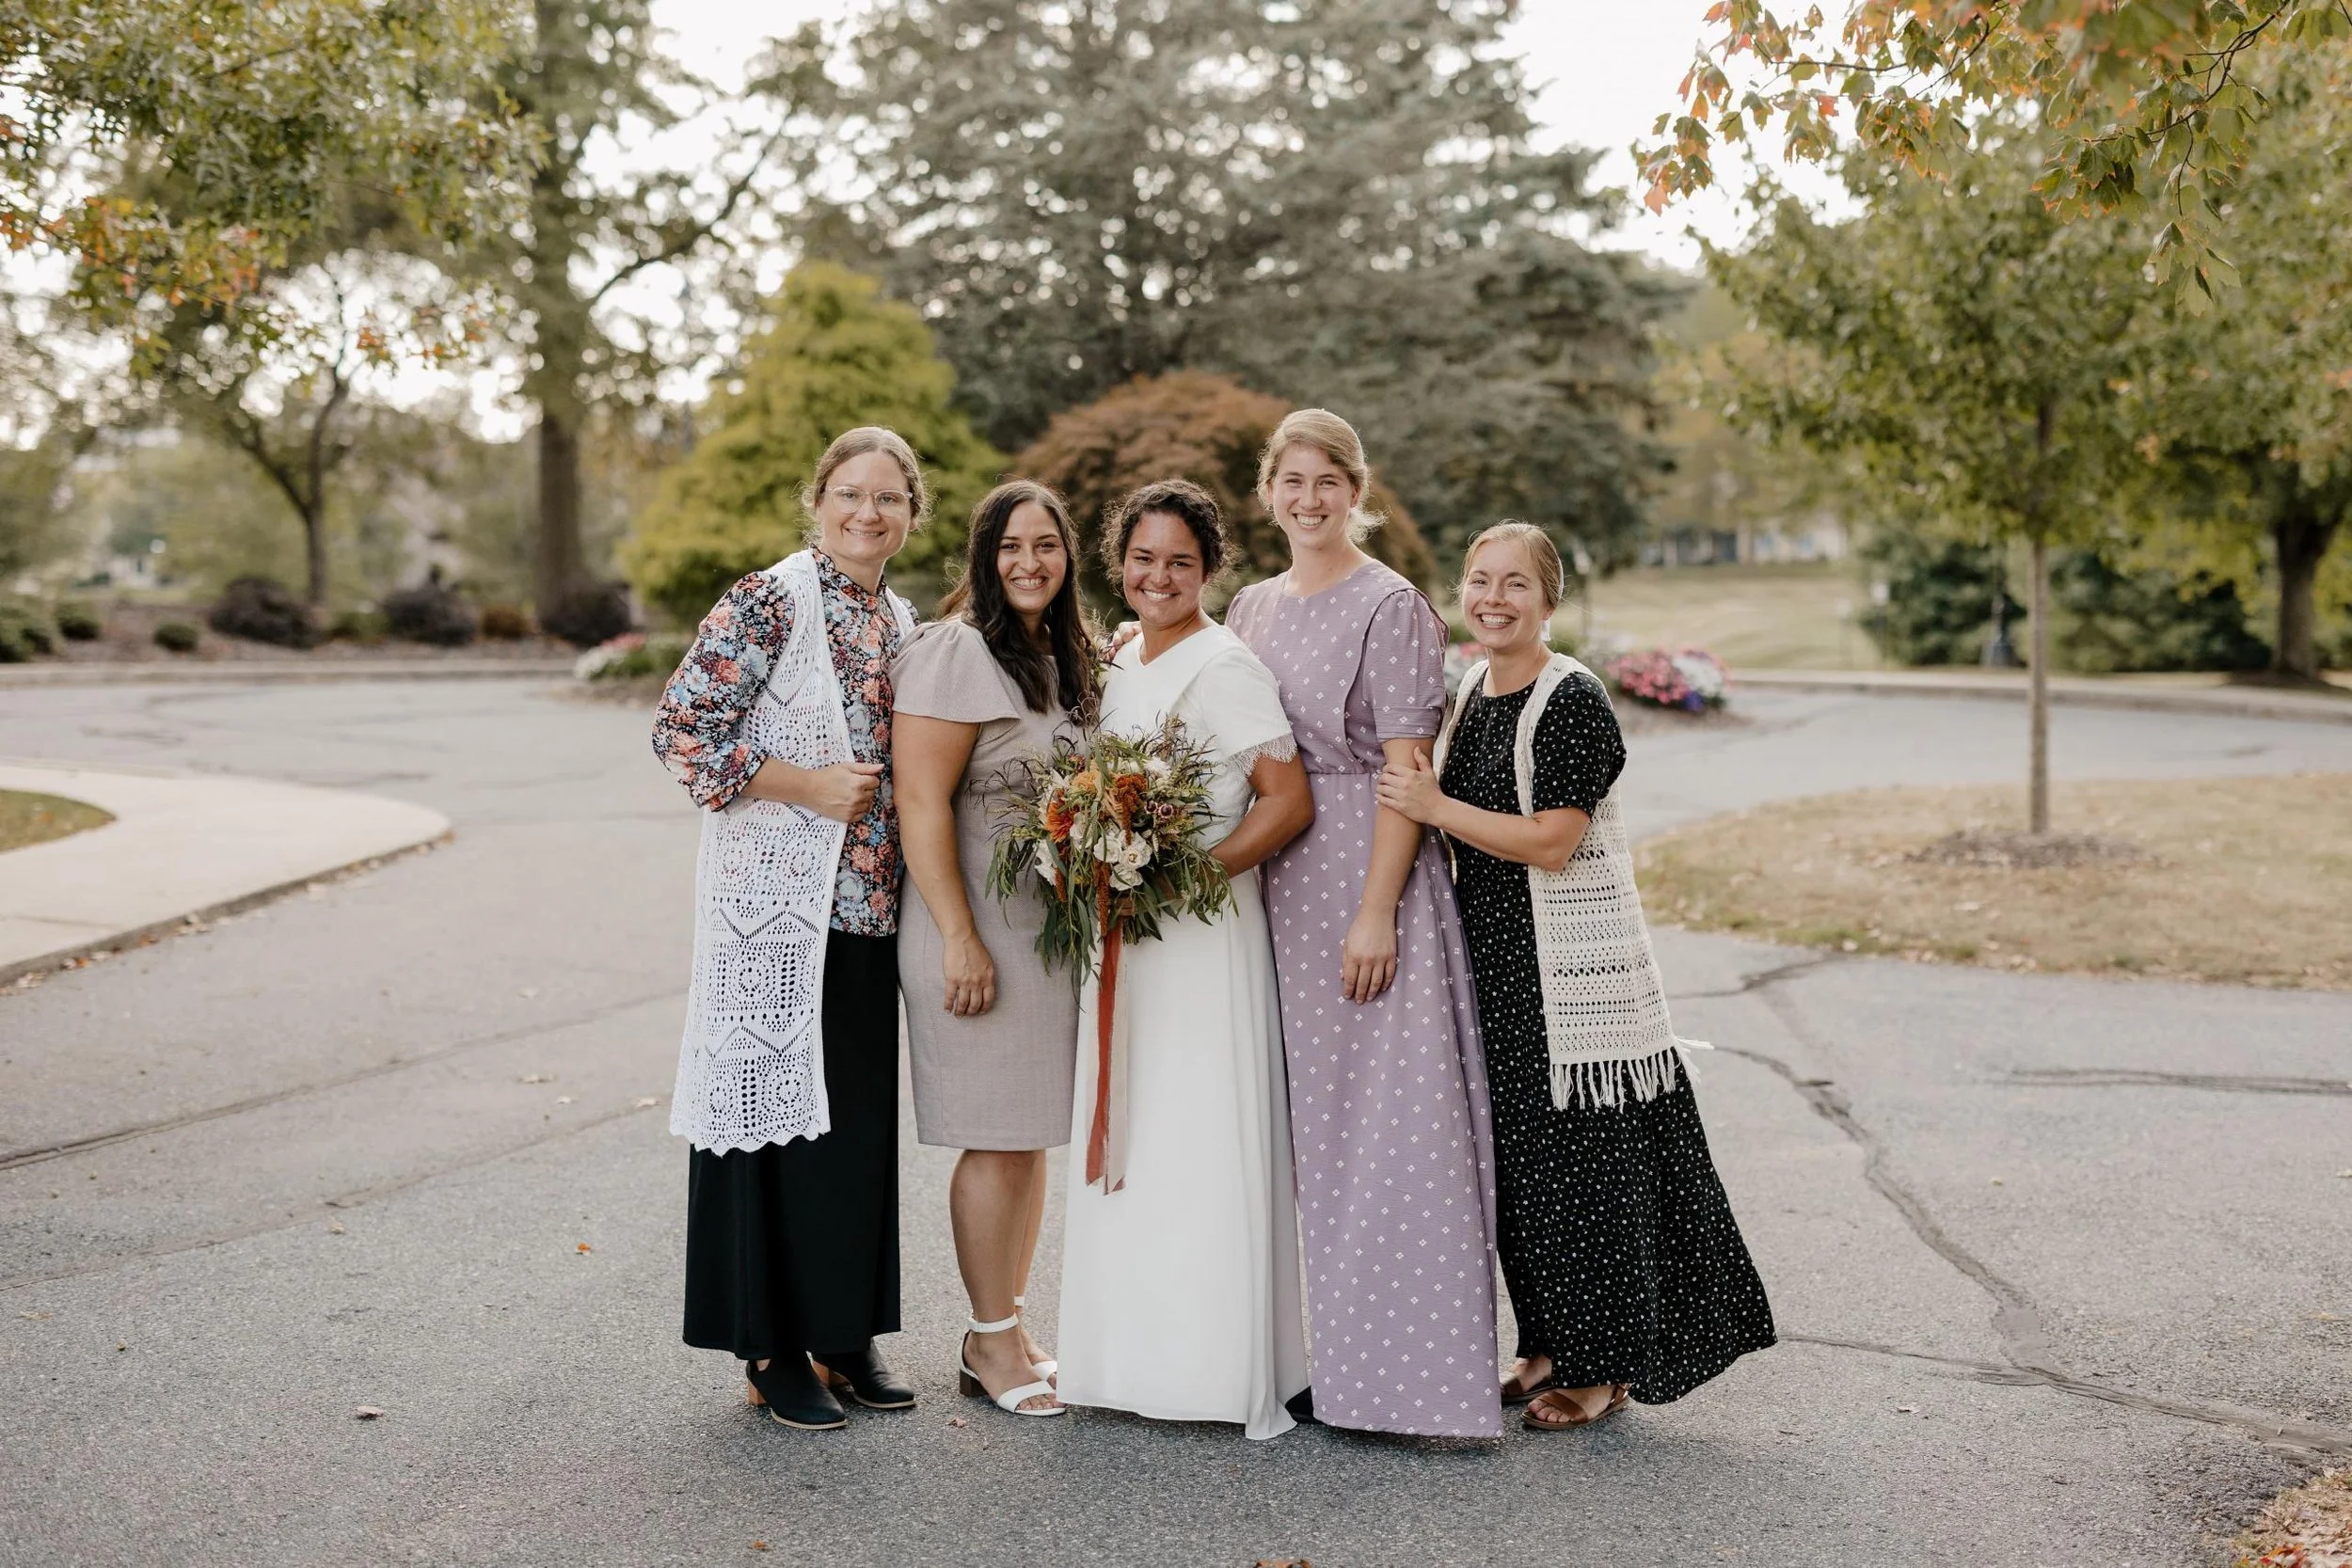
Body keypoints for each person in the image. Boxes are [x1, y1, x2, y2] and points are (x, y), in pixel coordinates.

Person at [1379, 521, 1775, 1431]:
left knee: (1583, 1166)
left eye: (1515, 584)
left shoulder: (1573, 700)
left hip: (1563, 974)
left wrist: (1435, 804)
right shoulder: (1474, 687)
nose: (1493, 599)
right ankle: (1548, 1341)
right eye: (1480, 581)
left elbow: (1553, 844)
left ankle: (1603, 1368)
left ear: (1548, 599)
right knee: (1517, 1169)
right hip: (1491, 964)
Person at [1224, 409, 1504, 1439]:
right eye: (1290, 481)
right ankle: (1313, 1361)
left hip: (1361, 883)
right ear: (1269, 489)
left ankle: (1407, 1383)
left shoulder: (1392, 607)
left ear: (1356, 488)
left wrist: (1378, 909)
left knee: (1392, 1135)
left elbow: (1406, 769)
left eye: (1326, 482)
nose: (1307, 499)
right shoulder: (1248, 606)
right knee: (1300, 1131)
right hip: (1271, 884)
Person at [652, 426, 927, 1432]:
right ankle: (770, 1345)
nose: (868, 512)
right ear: (818, 501)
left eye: (889, 497)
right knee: (767, 1127)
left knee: (850, 1129)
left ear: (910, 511)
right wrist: (806, 786)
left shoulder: (900, 615)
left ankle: (843, 1330)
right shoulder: (770, 598)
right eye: (851, 493)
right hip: (775, 909)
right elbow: (680, 731)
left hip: (867, 907)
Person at [1056, 479, 1316, 1440]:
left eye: (1179, 561)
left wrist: (1184, 877)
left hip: (1200, 932)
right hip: (1125, 933)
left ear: (1210, 570)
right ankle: (1124, 1356)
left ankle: (1213, 1364)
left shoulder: (1227, 664)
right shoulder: (1120, 654)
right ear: (1118, 562)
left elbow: (1285, 801)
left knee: (1197, 1131)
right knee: (1133, 1129)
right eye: (1142, 557)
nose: (1157, 576)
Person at [892, 481, 1099, 1418]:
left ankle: (1010, 1327)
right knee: (994, 1135)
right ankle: (984, 1338)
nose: (1029, 562)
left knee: (1028, 1133)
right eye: (1011, 546)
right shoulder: (955, 651)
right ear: (985, 556)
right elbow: (921, 801)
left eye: (1045, 546)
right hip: (973, 924)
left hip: (1046, 935)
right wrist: (958, 937)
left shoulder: (1062, 659)